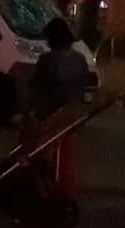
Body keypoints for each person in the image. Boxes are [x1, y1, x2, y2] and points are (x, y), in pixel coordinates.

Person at [29, 17, 90, 197]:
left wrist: (32, 114)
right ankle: (65, 184)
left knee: (40, 150)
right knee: (65, 150)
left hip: (51, 114)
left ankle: (46, 185)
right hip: (72, 113)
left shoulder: (48, 60)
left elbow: (37, 89)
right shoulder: (79, 59)